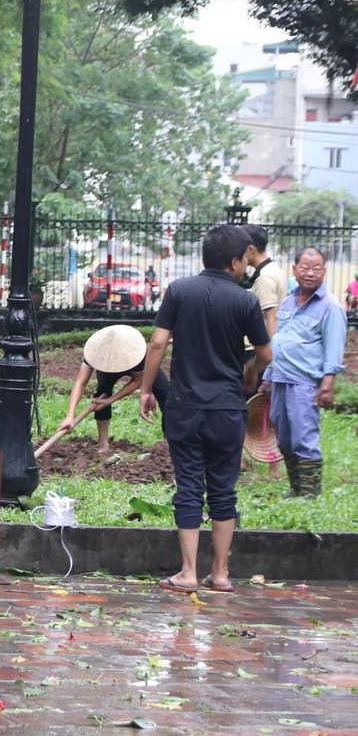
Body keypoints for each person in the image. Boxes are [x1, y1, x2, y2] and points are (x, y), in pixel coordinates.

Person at [139, 225, 270, 595]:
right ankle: (222, 573)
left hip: (184, 407)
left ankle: (188, 573)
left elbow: (158, 343)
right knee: (224, 491)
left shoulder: (179, 291)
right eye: (245, 258)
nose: (247, 264)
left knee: (189, 487)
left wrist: (147, 389)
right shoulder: (246, 301)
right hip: (228, 409)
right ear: (233, 261)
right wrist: (248, 375)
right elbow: (265, 355)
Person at [262, 247, 344, 498]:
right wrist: (268, 376)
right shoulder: (288, 301)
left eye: (317, 268)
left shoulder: (330, 307)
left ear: (324, 272)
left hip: (305, 383)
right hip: (280, 379)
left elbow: (334, 348)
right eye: (305, 268)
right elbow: (279, 342)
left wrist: (327, 383)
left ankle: (309, 493)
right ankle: (296, 487)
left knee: (304, 438)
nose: (310, 273)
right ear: (295, 270)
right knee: (285, 439)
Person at [60, 325, 170, 456]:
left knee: (167, 396)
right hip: (105, 365)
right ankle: (103, 445)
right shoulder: (96, 354)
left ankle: (168, 444)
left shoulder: (138, 354)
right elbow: (80, 383)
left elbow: (137, 381)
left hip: (137, 365)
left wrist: (111, 400)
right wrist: (70, 415)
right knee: (101, 394)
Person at [241, 223, 287, 480]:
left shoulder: (265, 278)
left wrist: (264, 357)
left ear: (250, 248)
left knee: (251, 406)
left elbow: (271, 317)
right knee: (265, 407)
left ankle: (271, 465)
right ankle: (256, 461)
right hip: (263, 351)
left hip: (257, 352)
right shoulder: (272, 271)